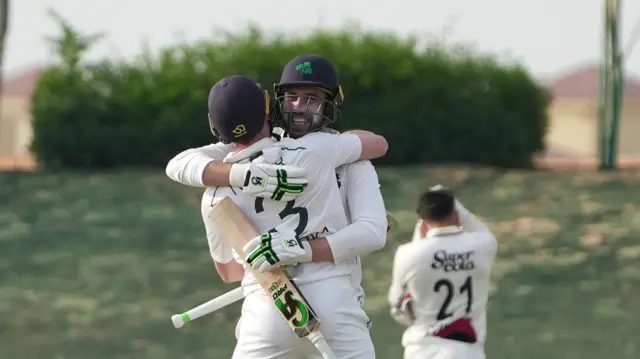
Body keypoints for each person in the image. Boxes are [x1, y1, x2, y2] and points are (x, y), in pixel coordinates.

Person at [167, 55, 389, 312]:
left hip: (334, 298)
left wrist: (301, 248)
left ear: (331, 104)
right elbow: (180, 163)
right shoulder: (263, 145)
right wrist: (245, 175)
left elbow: (371, 232)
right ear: (274, 101)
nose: (299, 107)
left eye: (312, 99)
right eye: (292, 96)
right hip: (295, 304)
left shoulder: (352, 157)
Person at [204, 74, 386, 358]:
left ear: (214, 127)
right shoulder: (315, 150)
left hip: (265, 310)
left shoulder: (214, 195)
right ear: (268, 108)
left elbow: (229, 272)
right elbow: (378, 144)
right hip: (332, 297)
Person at [388, 185, 497, 359]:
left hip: (423, 350)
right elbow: (475, 225)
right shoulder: (483, 244)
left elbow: (397, 305)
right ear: (456, 214)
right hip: (467, 351)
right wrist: (450, 199)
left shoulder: (407, 254)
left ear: (423, 223)